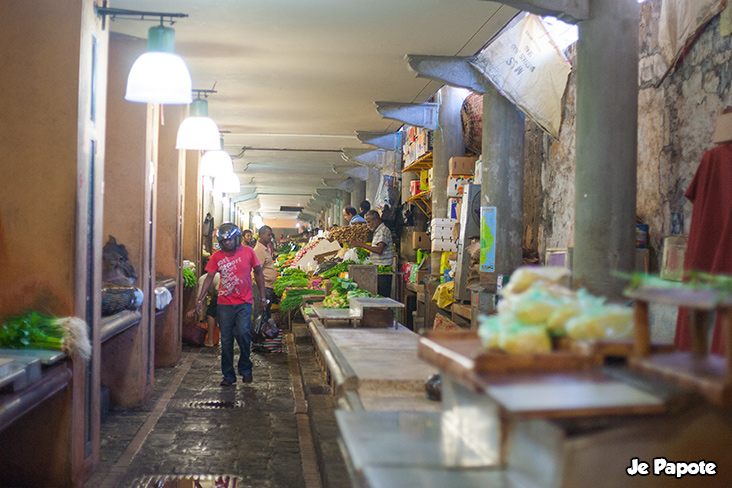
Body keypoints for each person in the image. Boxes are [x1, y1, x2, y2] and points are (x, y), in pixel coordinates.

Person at [196, 223, 268, 386]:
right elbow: (209, 277)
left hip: (244, 302)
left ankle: (245, 368)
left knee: (243, 333)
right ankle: (228, 375)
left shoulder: (248, 252)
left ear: (236, 239)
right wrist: (200, 298)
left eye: (230, 240)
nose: (227, 243)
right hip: (224, 304)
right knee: (226, 340)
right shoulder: (217, 257)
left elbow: (258, 272)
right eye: (224, 241)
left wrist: (263, 297)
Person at [350, 210, 394, 297]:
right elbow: (377, 251)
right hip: (378, 268)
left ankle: (384, 310)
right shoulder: (377, 231)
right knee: (378, 296)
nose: (368, 224)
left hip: (383, 270)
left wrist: (361, 245)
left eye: (369, 222)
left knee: (382, 296)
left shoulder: (383, 231)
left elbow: (379, 250)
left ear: (376, 220)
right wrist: (367, 254)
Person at [253, 225, 277, 321]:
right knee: (260, 314)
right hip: (263, 288)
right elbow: (256, 272)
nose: (271, 237)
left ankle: (265, 333)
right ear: (261, 235)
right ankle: (258, 335)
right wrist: (262, 293)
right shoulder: (258, 251)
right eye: (269, 235)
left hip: (268, 287)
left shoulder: (266, 248)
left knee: (266, 313)